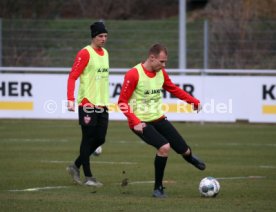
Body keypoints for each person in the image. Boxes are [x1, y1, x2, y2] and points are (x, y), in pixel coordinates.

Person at [118, 43, 206, 198]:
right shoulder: (133, 74)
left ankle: (189, 157)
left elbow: (174, 89)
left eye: (165, 62)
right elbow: (122, 102)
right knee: (164, 147)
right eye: (162, 61)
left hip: (158, 118)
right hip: (140, 122)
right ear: (152, 58)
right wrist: (135, 121)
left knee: (184, 150)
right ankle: (158, 188)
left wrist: (193, 101)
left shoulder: (161, 73)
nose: (164, 65)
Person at [66, 21, 109, 187]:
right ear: (93, 37)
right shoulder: (85, 53)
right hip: (87, 104)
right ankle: (89, 177)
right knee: (88, 139)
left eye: (105, 36)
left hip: (102, 104)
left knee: (100, 139)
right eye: (100, 36)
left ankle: (75, 165)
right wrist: (70, 99)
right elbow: (73, 76)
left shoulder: (105, 53)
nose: (103, 39)